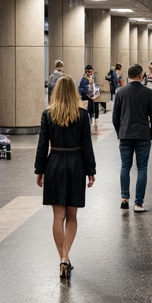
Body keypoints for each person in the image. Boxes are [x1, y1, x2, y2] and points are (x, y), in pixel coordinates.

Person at [36, 77, 97, 279]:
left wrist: (39, 170)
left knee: (57, 216)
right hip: (76, 163)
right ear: (74, 92)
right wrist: (91, 171)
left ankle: (62, 257)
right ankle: (65, 255)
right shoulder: (82, 114)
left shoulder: (48, 114)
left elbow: (42, 145)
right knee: (72, 216)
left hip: (54, 163)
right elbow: (87, 145)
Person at [113, 64, 152, 213]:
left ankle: (124, 199)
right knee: (142, 168)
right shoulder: (148, 92)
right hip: (142, 134)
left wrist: (120, 131)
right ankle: (138, 203)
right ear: (141, 75)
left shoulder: (121, 92)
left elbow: (115, 117)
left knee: (125, 166)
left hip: (125, 134)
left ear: (128, 75)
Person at [78, 65, 102, 131]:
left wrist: (97, 91)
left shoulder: (93, 78)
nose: (89, 73)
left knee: (94, 109)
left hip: (93, 98)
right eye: (88, 72)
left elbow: (95, 86)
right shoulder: (83, 79)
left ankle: (95, 121)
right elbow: (81, 89)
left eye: (91, 72)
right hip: (86, 98)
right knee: (88, 111)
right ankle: (89, 123)